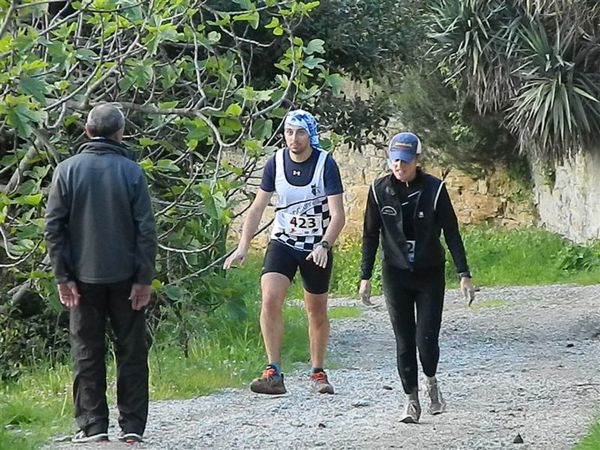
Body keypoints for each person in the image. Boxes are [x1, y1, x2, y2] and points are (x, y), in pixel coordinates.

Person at [45, 104, 157, 443]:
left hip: (81, 278)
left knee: (86, 350)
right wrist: (143, 279)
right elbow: (146, 231)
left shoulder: (66, 170)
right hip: (126, 277)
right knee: (132, 351)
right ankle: (133, 426)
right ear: (120, 133)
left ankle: (93, 426)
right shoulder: (132, 171)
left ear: (87, 131)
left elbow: (54, 229)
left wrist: (63, 276)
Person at [223, 109, 345, 395]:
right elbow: (257, 207)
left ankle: (317, 371)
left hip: (316, 246)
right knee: (270, 299)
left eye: (300, 133)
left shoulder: (325, 164)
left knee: (316, 310)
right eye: (289, 132)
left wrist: (325, 245)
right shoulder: (275, 163)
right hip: (283, 242)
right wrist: (243, 245)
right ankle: (273, 371)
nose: (294, 139)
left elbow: (338, 214)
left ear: (311, 135)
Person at [359, 132, 476, 423]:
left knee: (426, 340)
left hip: (429, 273)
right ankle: (411, 401)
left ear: (417, 161)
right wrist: (365, 276)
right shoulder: (378, 190)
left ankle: (432, 382)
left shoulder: (435, 190)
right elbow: (370, 235)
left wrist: (464, 274)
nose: (399, 166)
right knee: (403, 341)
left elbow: (451, 233)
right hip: (395, 273)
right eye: (395, 160)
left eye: (406, 161)